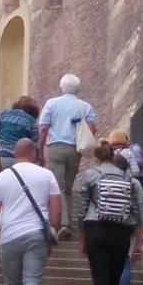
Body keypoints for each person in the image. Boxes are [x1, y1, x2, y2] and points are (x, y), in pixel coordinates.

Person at [0, 137, 62, 285]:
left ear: (15, 153)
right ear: (33, 153)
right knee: (32, 282)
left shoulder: (2, 177)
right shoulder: (47, 175)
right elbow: (56, 208)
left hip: (8, 236)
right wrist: (53, 231)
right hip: (36, 234)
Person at [71, 140, 143, 285]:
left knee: (100, 279)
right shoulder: (126, 176)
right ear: (112, 157)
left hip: (95, 229)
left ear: (96, 158)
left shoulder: (91, 174)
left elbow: (82, 209)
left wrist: (82, 237)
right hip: (121, 230)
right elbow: (135, 210)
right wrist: (139, 240)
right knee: (115, 279)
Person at [37, 75, 97, 222]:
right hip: (75, 150)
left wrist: (40, 151)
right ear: (78, 89)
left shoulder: (51, 104)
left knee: (59, 187)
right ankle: (68, 218)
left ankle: (63, 223)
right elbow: (92, 129)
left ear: (61, 87)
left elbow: (43, 129)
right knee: (68, 187)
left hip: (56, 148)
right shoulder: (85, 106)